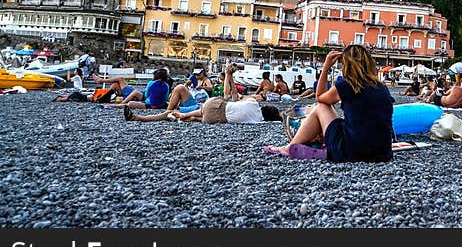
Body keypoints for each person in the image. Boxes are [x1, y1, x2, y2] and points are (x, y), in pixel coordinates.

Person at [262, 44, 394, 162]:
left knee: (321, 107)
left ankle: (288, 148)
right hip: (382, 153)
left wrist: (326, 67)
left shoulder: (348, 84)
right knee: (346, 123)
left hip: (351, 152)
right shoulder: (382, 88)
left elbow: (320, 97)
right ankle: (325, 148)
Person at [125, 63, 282, 123]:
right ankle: (185, 116)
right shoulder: (256, 121)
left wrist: (229, 76)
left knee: (171, 110)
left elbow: (232, 96)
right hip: (213, 118)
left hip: (211, 106)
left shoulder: (253, 103)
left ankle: (140, 117)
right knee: (187, 115)